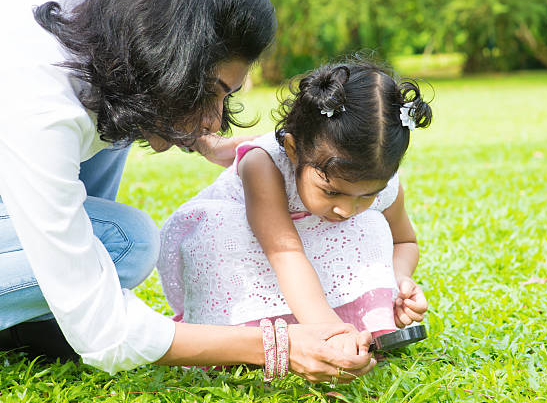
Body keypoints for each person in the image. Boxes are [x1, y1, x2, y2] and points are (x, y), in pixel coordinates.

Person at [0, 0, 376, 383]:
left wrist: (200, 139)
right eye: (210, 90)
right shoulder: (41, 101)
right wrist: (279, 345)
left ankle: (37, 316)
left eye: (226, 96)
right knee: (125, 243)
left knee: (117, 125)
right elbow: (105, 332)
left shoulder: (104, 35)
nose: (215, 121)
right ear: (166, 56)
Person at [157, 59, 432, 353]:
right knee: (224, 232)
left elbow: (404, 240)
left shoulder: (378, 180)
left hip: (301, 260)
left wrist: (398, 279)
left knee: (371, 224)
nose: (346, 209)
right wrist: (330, 333)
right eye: (331, 191)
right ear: (292, 149)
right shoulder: (263, 164)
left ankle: (360, 323)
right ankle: (258, 334)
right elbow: (285, 254)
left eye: (366, 195)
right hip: (248, 254)